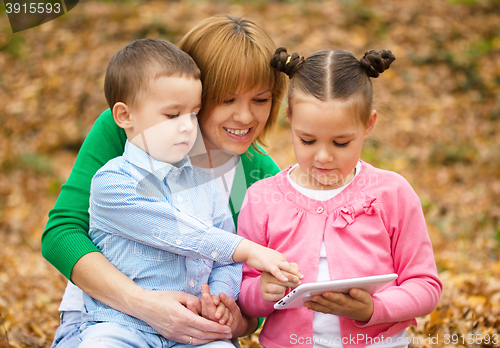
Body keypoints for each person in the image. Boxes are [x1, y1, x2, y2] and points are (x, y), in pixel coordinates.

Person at [42, 15, 289, 347]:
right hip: (108, 317)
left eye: (260, 100)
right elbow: (63, 233)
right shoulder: (131, 129)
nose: (245, 117)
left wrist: (231, 316)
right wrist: (142, 303)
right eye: (227, 99)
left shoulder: (261, 175)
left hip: (196, 331)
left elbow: (252, 287)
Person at [237, 48, 443, 348]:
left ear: (368, 125)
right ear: (290, 119)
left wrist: (374, 309)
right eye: (307, 140)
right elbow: (241, 291)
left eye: (341, 142)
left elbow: (425, 285)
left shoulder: (391, 193)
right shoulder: (262, 198)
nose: (323, 156)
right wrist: (261, 292)